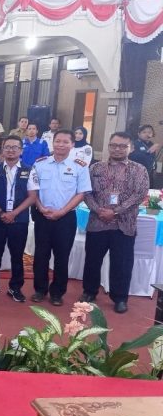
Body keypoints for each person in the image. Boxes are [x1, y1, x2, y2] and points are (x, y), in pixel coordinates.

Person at [81, 132, 149, 313]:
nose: (117, 149)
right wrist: (99, 210)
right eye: (114, 145)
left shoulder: (139, 169)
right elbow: (86, 192)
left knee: (122, 262)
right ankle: (89, 292)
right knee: (92, 260)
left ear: (131, 148)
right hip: (98, 222)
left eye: (122, 146)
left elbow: (139, 194)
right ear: (108, 146)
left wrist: (115, 211)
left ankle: (120, 298)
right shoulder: (95, 168)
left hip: (124, 224)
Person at [28, 130, 92, 306]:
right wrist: (40, 207)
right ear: (52, 143)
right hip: (43, 216)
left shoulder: (80, 166)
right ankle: (40, 290)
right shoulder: (40, 164)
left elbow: (82, 193)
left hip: (66, 218)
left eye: (65, 142)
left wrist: (62, 211)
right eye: (57, 141)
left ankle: (57, 293)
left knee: (62, 257)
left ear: (72, 145)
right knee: (40, 255)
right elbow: (33, 189)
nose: (61, 145)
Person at [0, 135, 37, 302]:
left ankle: (15, 288)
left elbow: (32, 196)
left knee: (17, 255)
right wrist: (1, 213)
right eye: (7, 147)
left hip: (19, 220)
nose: (11, 150)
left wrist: (14, 213)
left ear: (21, 150)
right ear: (2, 150)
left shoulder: (29, 170)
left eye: (15, 147)